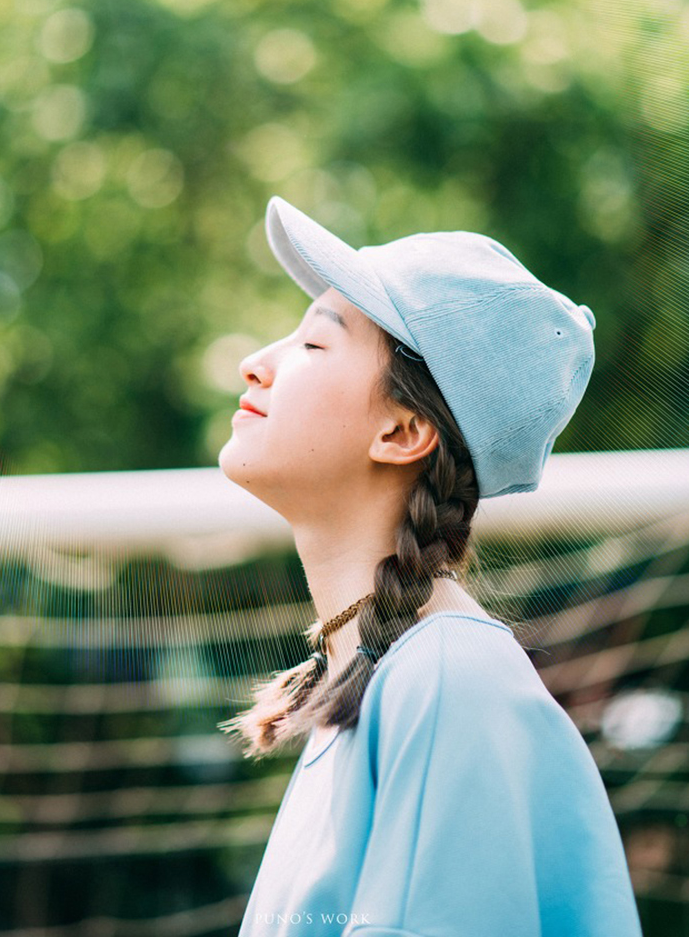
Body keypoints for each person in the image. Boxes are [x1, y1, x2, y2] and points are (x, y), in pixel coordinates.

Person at [218, 195, 643, 937]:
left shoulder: (447, 683)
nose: (257, 365)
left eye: (313, 345)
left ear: (404, 430)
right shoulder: (386, 679)